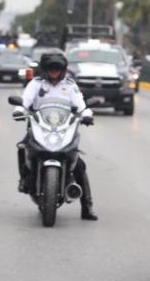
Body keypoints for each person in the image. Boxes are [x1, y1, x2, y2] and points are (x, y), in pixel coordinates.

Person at [15, 53, 98, 221]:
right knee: (22, 149)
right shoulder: (36, 84)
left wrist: (87, 114)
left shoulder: (70, 86)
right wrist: (20, 110)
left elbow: (81, 106)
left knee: (79, 166)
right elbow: (25, 101)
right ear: (45, 70)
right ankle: (25, 180)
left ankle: (87, 207)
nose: (54, 72)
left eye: (57, 69)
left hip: (63, 129)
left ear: (63, 70)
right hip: (40, 127)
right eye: (51, 68)